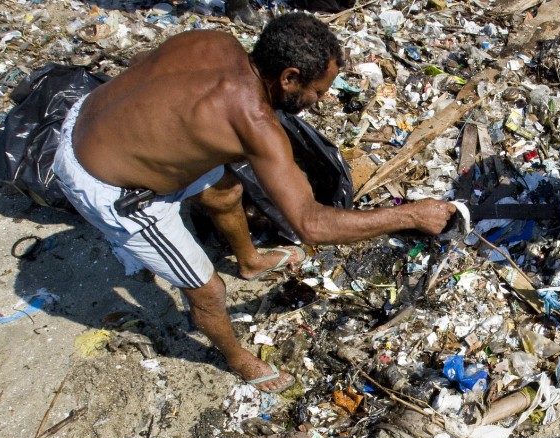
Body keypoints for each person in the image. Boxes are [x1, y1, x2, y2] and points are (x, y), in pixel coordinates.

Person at [52, 14, 455, 392]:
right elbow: (311, 225)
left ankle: (249, 261)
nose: (322, 99)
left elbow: (144, 63)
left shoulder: (213, 42)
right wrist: (411, 214)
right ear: (289, 77)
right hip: (114, 190)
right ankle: (237, 359)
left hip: (88, 116)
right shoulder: (256, 123)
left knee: (226, 189)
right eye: (318, 90)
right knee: (206, 289)